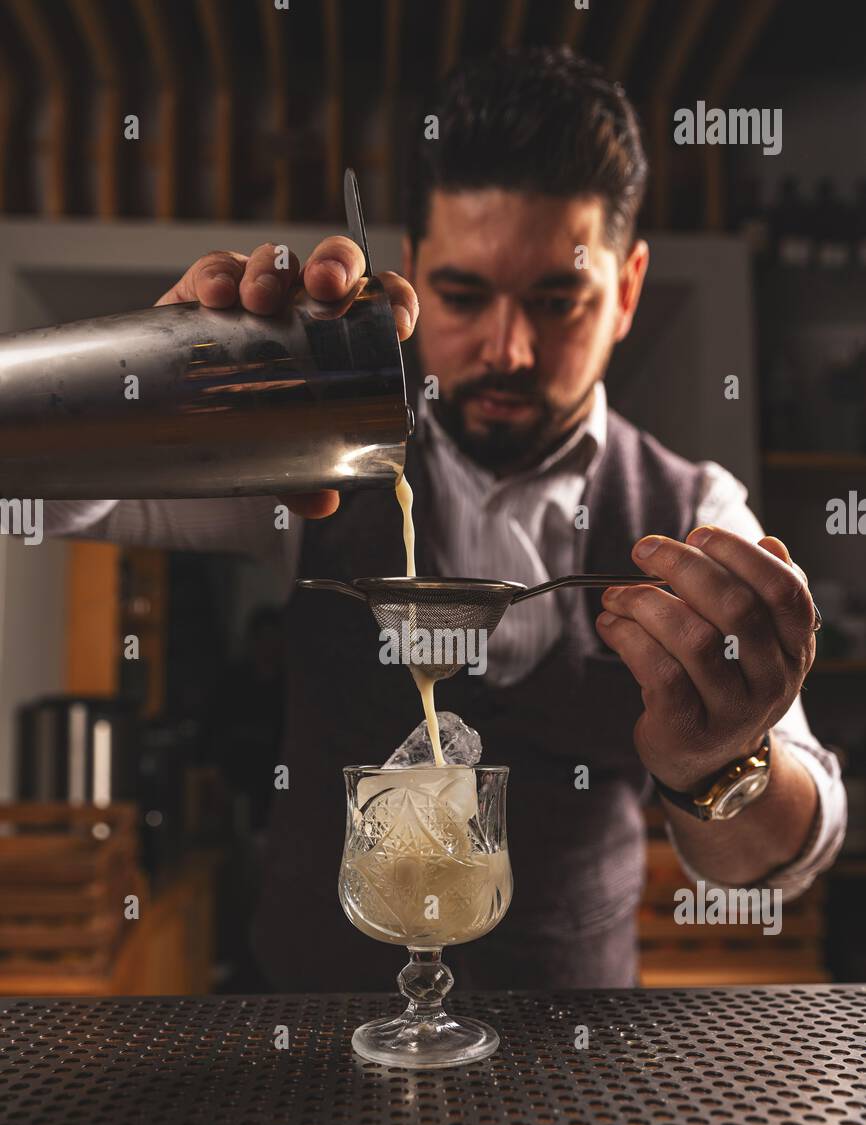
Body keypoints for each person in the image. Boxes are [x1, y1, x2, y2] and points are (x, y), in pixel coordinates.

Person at [43, 48, 845, 990]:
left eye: (557, 301)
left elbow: (779, 858)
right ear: (414, 271)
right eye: (463, 297)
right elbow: (50, 500)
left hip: (570, 1077)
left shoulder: (695, 508)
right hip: (306, 1049)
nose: (507, 349)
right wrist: (139, 385)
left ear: (625, 290)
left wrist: (719, 759)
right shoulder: (316, 459)